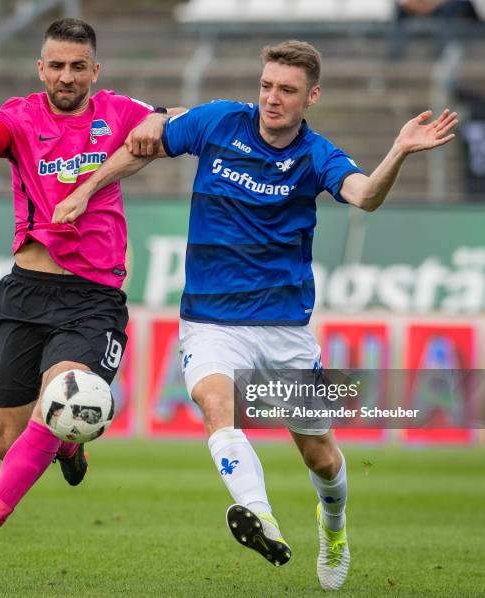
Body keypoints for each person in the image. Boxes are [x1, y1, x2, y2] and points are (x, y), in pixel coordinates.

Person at [53, 40, 457, 591]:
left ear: (310, 97)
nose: (272, 98)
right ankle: (260, 516)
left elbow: (363, 197)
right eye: (267, 86)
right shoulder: (219, 121)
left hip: (284, 329)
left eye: (286, 90)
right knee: (216, 404)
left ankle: (333, 526)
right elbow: (145, 143)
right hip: (211, 321)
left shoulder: (317, 156)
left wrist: (399, 152)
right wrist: (86, 189)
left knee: (320, 457)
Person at [0, 18, 177, 576]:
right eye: (56, 65)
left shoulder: (118, 111)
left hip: (93, 298)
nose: (66, 76)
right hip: (25, 293)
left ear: (95, 70)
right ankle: (69, 445)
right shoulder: (18, 117)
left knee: (65, 394)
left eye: (77, 66)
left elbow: (176, 121)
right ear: (40, 67)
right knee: (6, 441)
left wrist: (161, 120)